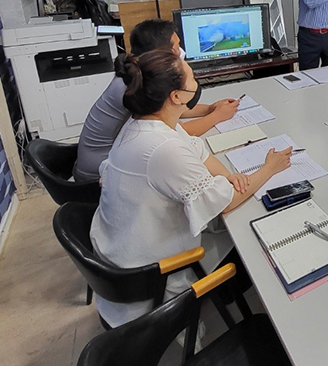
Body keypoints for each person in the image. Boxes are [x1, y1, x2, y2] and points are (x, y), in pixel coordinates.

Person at [90, 49, 292, 327]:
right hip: (149, 275)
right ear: (176, 96)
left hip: (125, 247)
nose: (196, 82)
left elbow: (198, 152)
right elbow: (226, 202)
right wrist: (269, 168)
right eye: (192, 77)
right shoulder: (163, 148)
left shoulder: (147, 122)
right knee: (253, 239)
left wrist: (230, 176)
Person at [73, 19, 239, 182]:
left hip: (104, 160)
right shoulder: (135, 87)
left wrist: (210, 109)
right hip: (99, 176)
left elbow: (174, 108)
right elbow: (176, 132)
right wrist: (218, 116)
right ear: (161, 54)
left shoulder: (138, 73)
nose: (180, 52)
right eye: (176, 48)